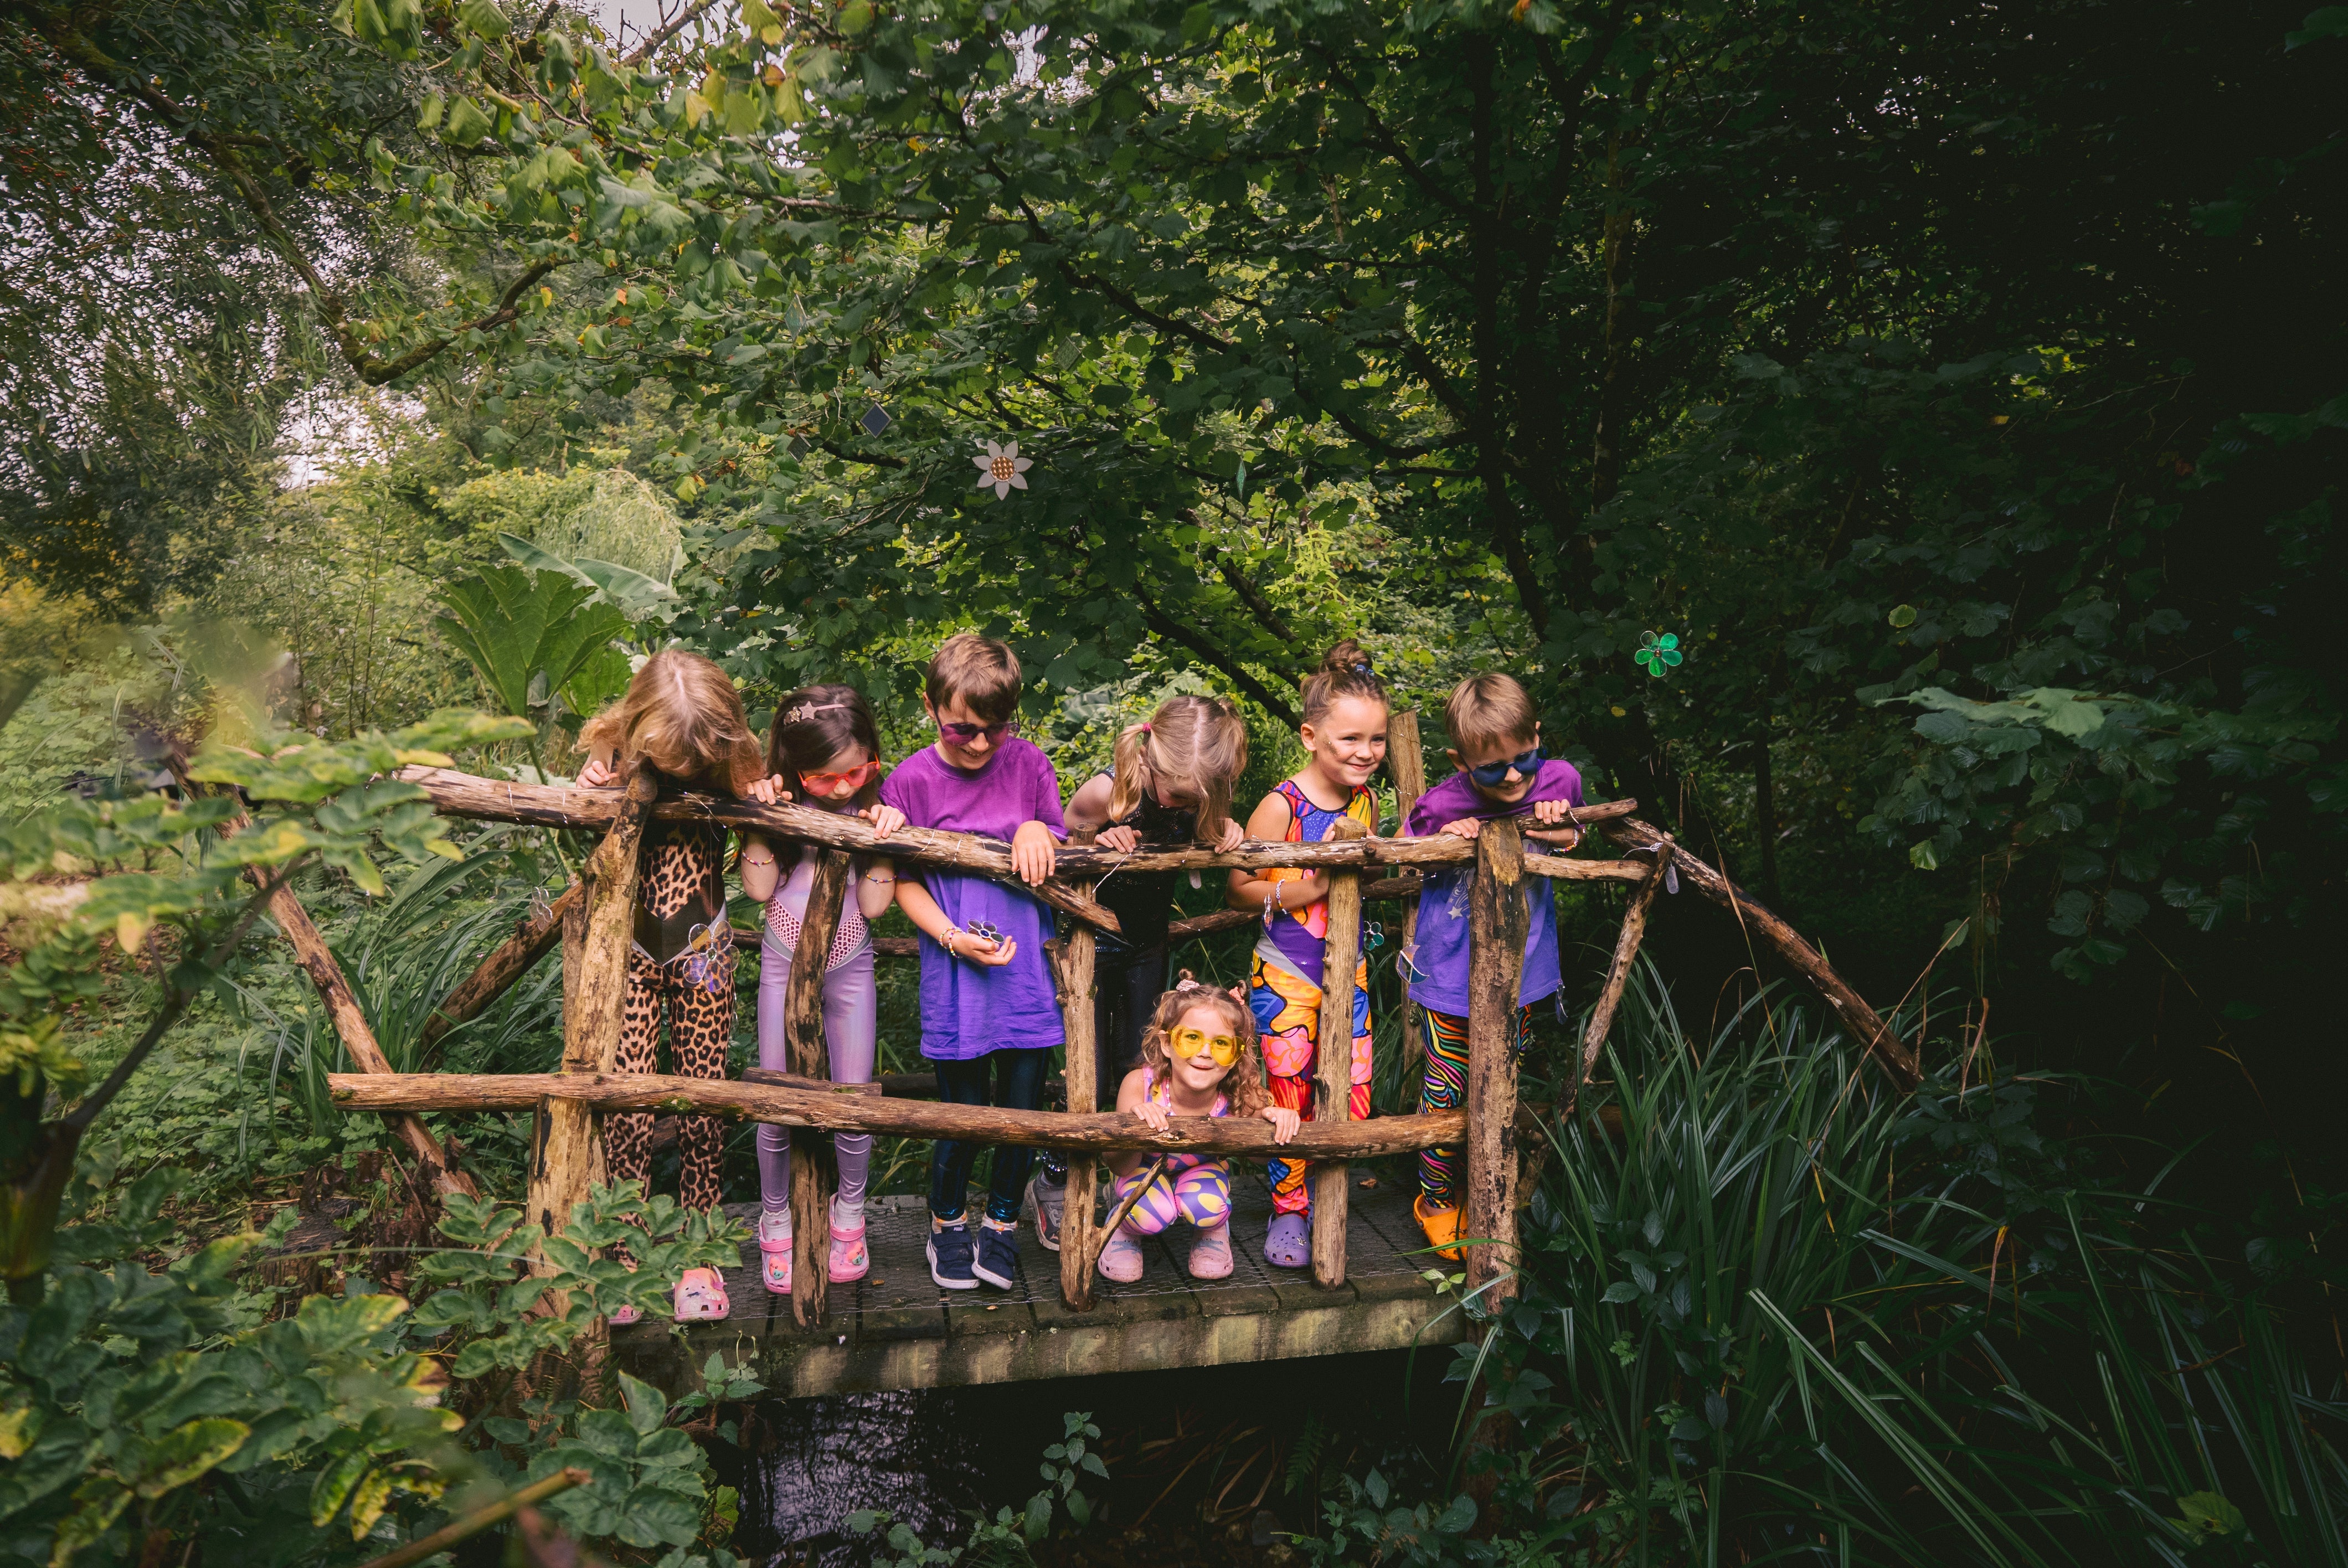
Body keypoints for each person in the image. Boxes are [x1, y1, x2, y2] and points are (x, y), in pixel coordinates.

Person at [575, 649, 768, 1323]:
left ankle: (698, 1256)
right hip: (627, 949)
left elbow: (761, 844)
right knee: (625, 1105)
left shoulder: (733, 757)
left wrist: (759, 800)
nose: (683, 766)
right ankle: (622, 1252)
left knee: (701, 1104)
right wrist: (590, 786)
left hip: (703, 950)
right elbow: (589, 839)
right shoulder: (613, 746)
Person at [1028, 694, 1250, 1250]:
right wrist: (1098, 838)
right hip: (1089, 940)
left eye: (1195, 796)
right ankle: (1054, 1178)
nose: (1181, 801)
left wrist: (1227, 830)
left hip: (1147, 944)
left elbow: (1206, 832)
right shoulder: (1108, 790)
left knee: (1144, 1063)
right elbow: (1060, 843)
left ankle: (1147, 1173)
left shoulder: (1200, 797)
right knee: (1089, 1072)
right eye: (1176, 791)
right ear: (1150, 759)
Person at [881, 632, 1065, 1292]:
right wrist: (952, 937)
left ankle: (1004, 1224)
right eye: (963, 729)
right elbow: (902, 882)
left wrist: (1034, 827)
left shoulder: (1029, 765)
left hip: (1025, 978)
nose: (982, 744)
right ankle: (947, 1223)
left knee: (1020, 1114)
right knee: (959, 1114)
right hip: (956, 974)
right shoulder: (909, 781)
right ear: (930, 706)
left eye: (997, 727)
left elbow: (1053, 833)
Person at [1399, 673, 1584, 1258]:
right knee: (1447, 1088)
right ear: (1461, 762)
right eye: (1491, 769)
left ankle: (1485, 1189)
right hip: (1449, 978)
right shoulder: (1442, 803)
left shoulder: (1559, 780)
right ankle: (1435, 1199)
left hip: (1523, 975)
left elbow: (1575, 835)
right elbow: (1405, 856)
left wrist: (1560, 824)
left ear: (1537, 736)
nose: (1511, 777)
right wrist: (1445, 841)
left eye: (1523, 759)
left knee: (1502, 1081)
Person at [1226, 640, 1389, 1269]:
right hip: (1286, 973)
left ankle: (1328, 1191)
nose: (1366, 752)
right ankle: (1288, 1207)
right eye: (1351, 739)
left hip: (1350, 968)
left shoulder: (1366, 800)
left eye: (1377, 740)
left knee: (1352, 1086)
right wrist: (1311, 886)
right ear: (1310, 737)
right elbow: (1239, 890)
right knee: (1288, 1094)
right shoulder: (1281, 805)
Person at [739, 685, 905, 1296]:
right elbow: (760, 891)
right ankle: (775, 1217)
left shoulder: (874, 811)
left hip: (851, 963)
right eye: (823, 777)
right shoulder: (780, 806)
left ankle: (849, 1213)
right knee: (775, 1105)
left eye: (855, 773)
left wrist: (882, 840)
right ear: (794, 766)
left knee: (854, 1104)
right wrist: (760, 820)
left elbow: (875, 906)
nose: (840, 789)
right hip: (782, 962)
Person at [1099, 976, 1301, 1283]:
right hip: (1140, 1171)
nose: (1206, 1052)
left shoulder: (1240, 1095)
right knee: (1149, 1214)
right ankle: (1125, 1226)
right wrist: (1135, 1128)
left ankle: (1212, 1229)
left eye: (1221, 1044)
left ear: (1236, 1055)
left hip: (1200, 1175)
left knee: (1206, 1206)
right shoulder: (1140, 1085)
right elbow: (1119, 1165)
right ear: (1167, 1044)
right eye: (1192, 1038)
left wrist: (1273, 1123)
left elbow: (1260, 1159)